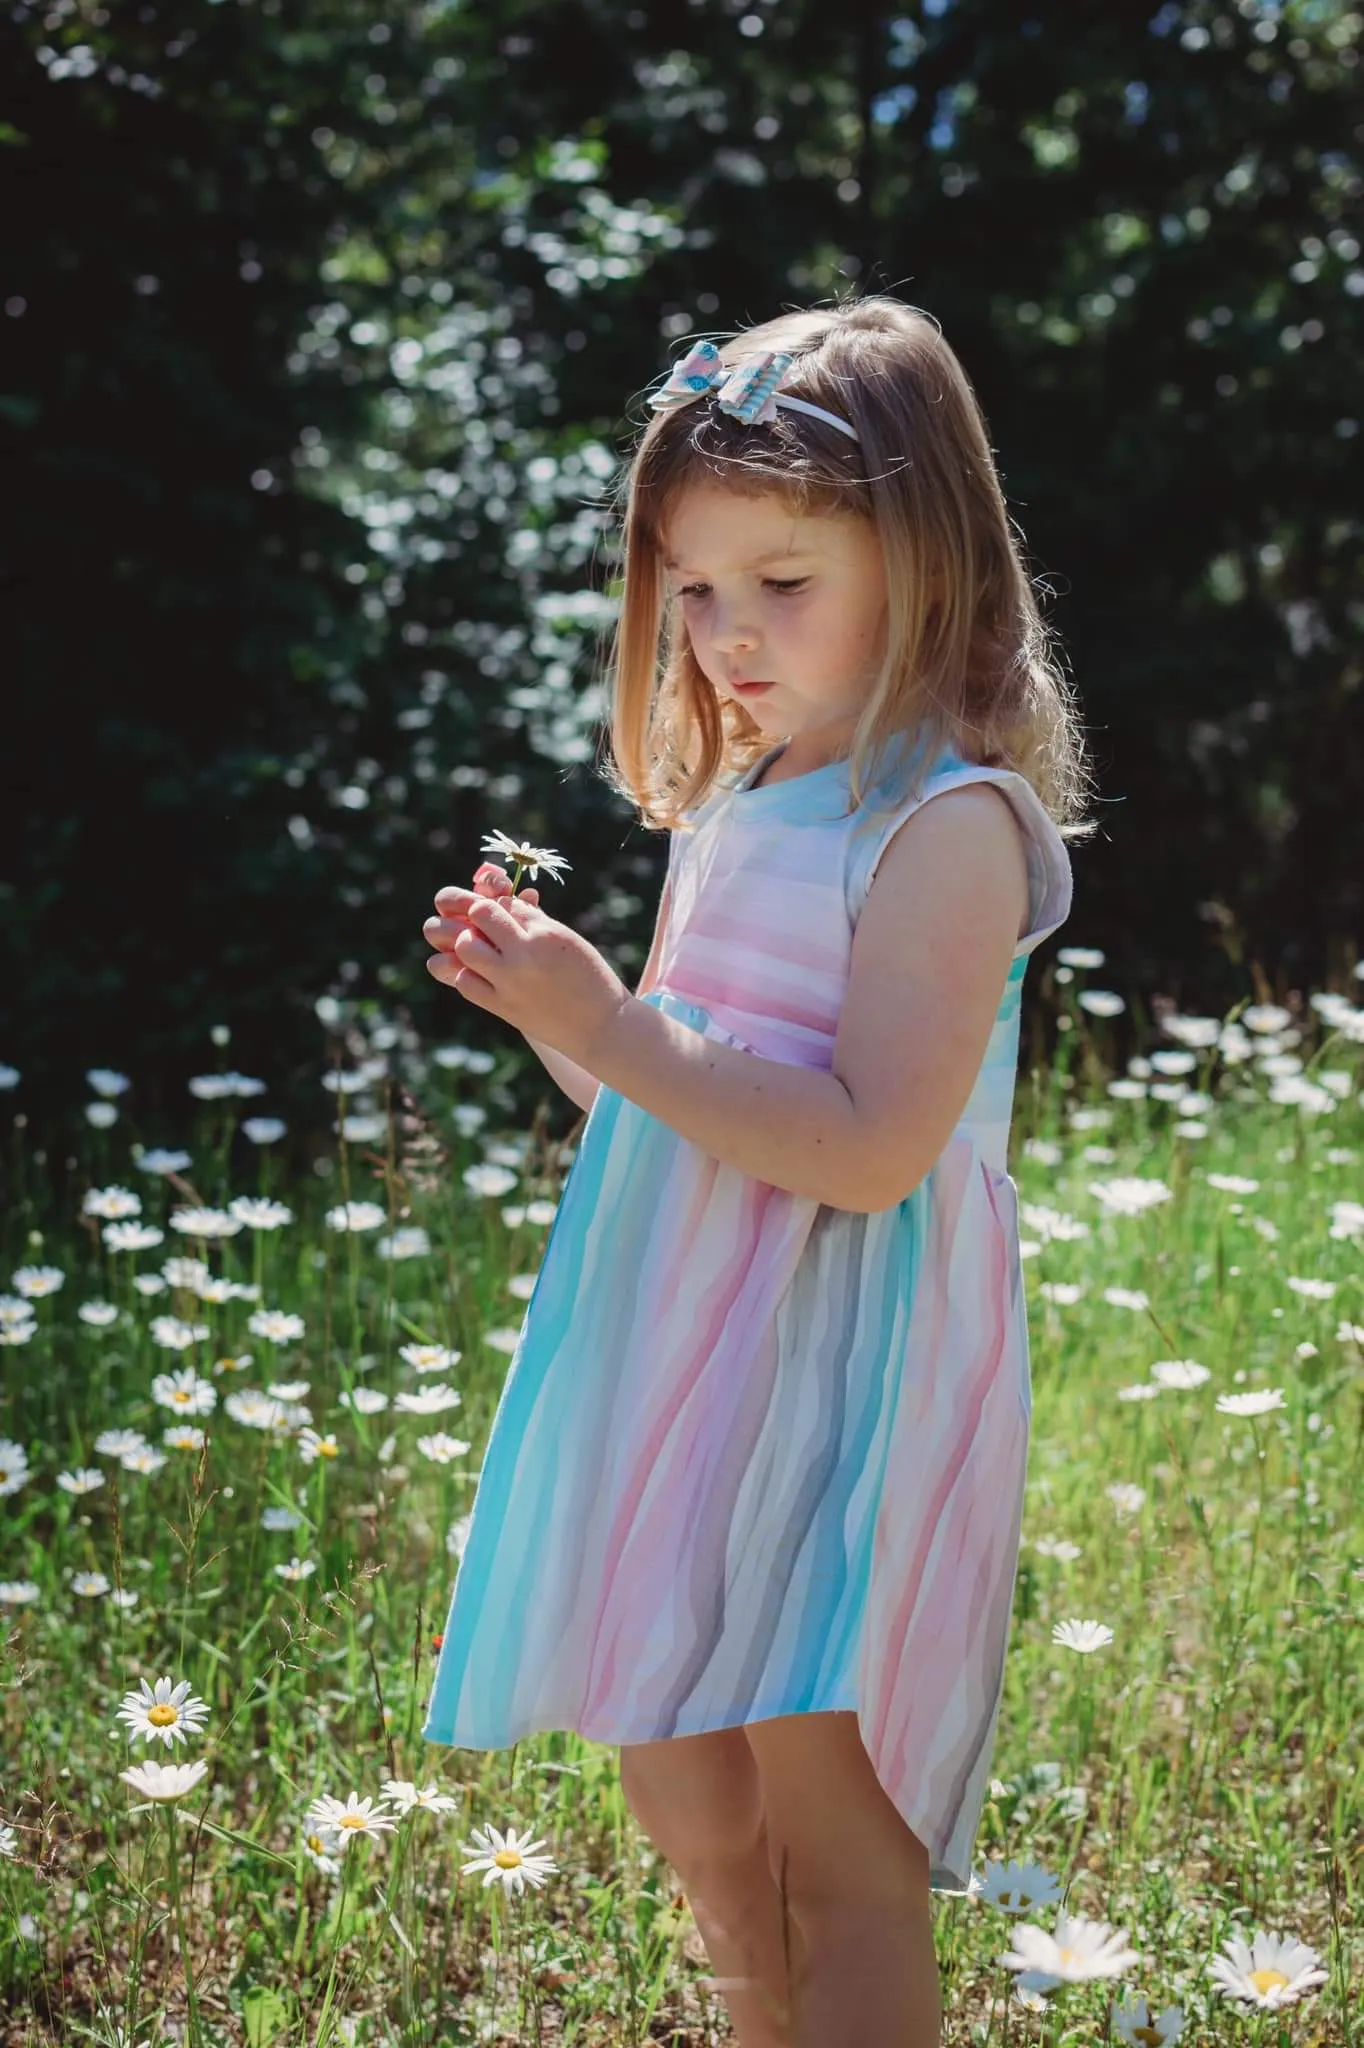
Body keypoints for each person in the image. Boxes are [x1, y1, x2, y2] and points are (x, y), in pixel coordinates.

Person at [421, 294, 1091, 2048]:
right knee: (680, 1776)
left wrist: (625, 1035)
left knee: (826, 1815)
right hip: (692, 1344)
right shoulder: (740, 804)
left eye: (779, 584)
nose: (724, 634)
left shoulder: (944, 827)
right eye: (693, 589)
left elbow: (869, 1150)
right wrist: (555, 1014)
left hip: (844, 1375)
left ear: (924, 558)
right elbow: (672, 1106)